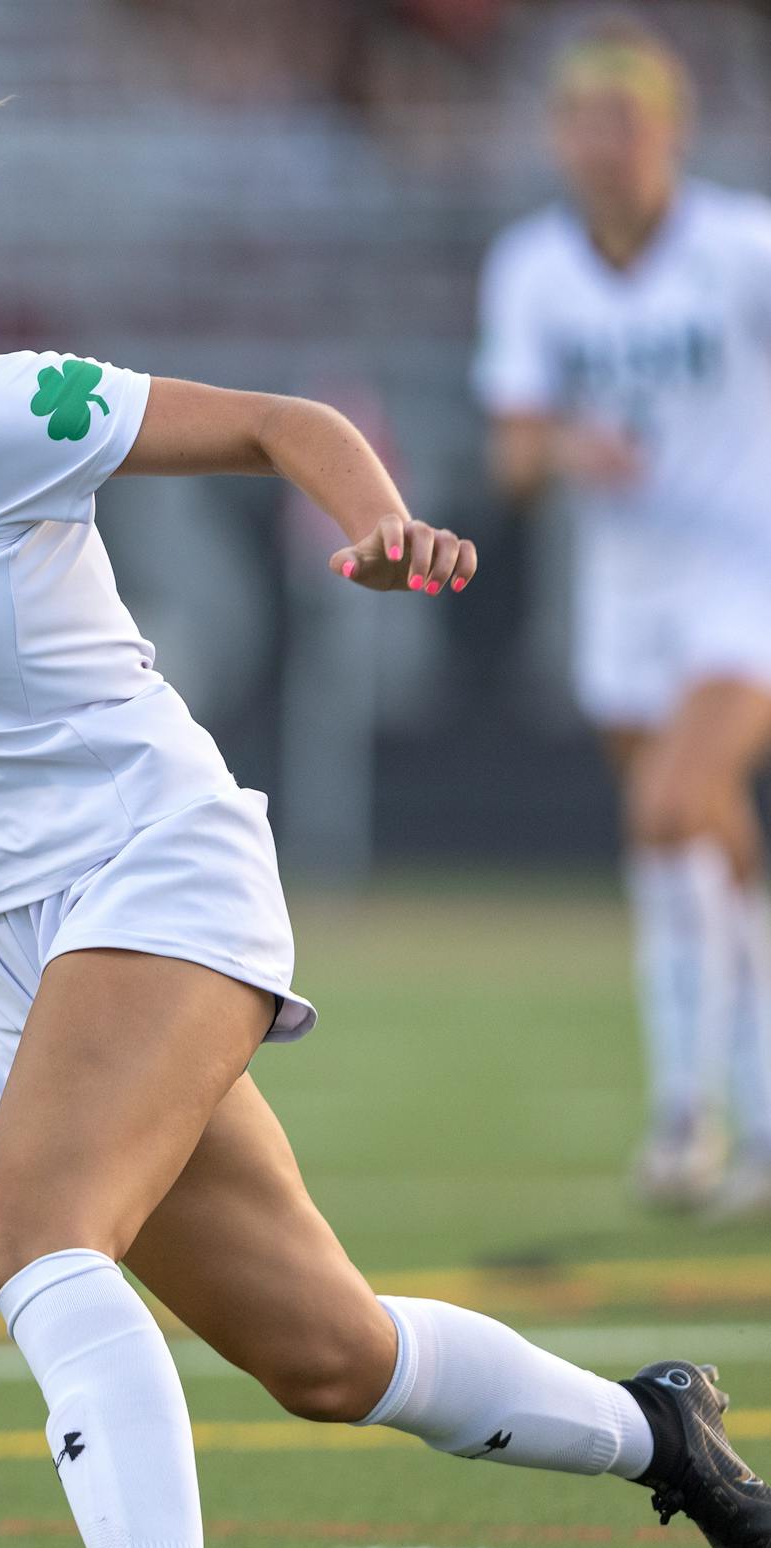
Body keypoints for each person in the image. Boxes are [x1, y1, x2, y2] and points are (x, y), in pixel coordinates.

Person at [0, 110, 771, 1548]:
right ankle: (672, 1437)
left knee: (32, 1238)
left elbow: (282, 424)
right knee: (329, 1354)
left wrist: (380, 527)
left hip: (146, 860)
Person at [475, 14, 771, 1215]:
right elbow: (512, 456)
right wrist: (557, 442)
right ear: (557, 137)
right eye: (587, 124)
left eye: (630, 124)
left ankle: (682, 1114)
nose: (608, 148)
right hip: (625, 593)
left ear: (672, 132)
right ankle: (759, 1115)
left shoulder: (744, 248)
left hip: (744, 572)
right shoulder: (533, 269)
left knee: (669, 808)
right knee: (715, 849)